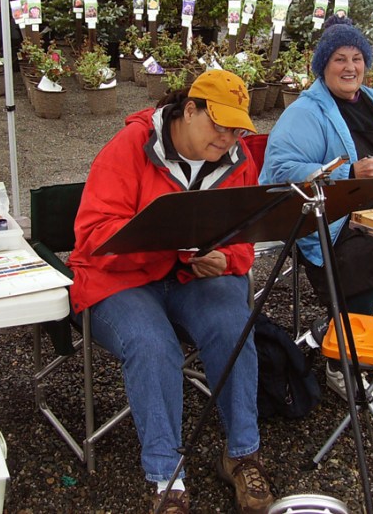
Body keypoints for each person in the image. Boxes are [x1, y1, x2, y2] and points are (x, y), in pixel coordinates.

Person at [68, 70, 274, 514]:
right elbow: (93, 237)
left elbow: (244, 239)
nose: (227, 138)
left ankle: (242, 453)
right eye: (218, 125)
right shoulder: (130, 147)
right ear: (189, 110)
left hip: (190, 277)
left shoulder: (238, 160)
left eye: (236, 128)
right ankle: (166, 476)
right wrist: (173, 247)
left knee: (233, 323)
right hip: (120, 279)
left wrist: (227, 259)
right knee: (151, 343)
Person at [260, 15, 373, 401]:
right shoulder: (305, 112)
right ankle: (342, 361)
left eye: (357, 58)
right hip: (340, 220)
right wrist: (349, 171)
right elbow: (278, 170)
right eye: (339, 58)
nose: (350, 67)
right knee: (369, 254)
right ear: (323, 65)